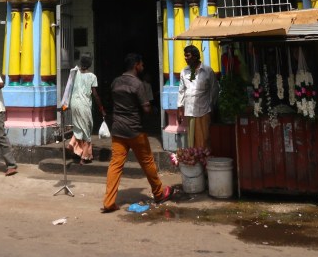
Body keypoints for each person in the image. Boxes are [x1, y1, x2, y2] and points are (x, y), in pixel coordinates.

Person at [102, 53, 175, 213]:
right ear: (136, 65)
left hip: (118, 129)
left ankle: (108, 202)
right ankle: (159, 193)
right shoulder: (138, 84)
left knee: (115, 165)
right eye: (141, 64)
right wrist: (153, 110)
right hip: (135, 130)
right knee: (147, 162)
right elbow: (146, 108)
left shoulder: (116, 82)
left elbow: (111, 102)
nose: (143, 67)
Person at [62, 54, 105, 164]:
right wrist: (101, 108)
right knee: (87, 130)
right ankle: (84, 157)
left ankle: (72, 144)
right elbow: (95, 95)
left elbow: (69, 88)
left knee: (78, 126)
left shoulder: (75, 73)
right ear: (90, 64)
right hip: (84, 105)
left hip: (74, 103)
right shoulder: (92, 76)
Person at [177, 45, 219, 149]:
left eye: (188, 55)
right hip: (190, 111)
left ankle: (205, 157)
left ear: (195, 56)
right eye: (185, 56)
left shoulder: (208, 71)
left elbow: (214, 90)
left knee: (204, 139)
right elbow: (181, 91)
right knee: (192, 140)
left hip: (204, 110)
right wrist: (180, 109)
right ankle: (194, 157)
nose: (185, 58)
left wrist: (211, 106)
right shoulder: (184, 71)